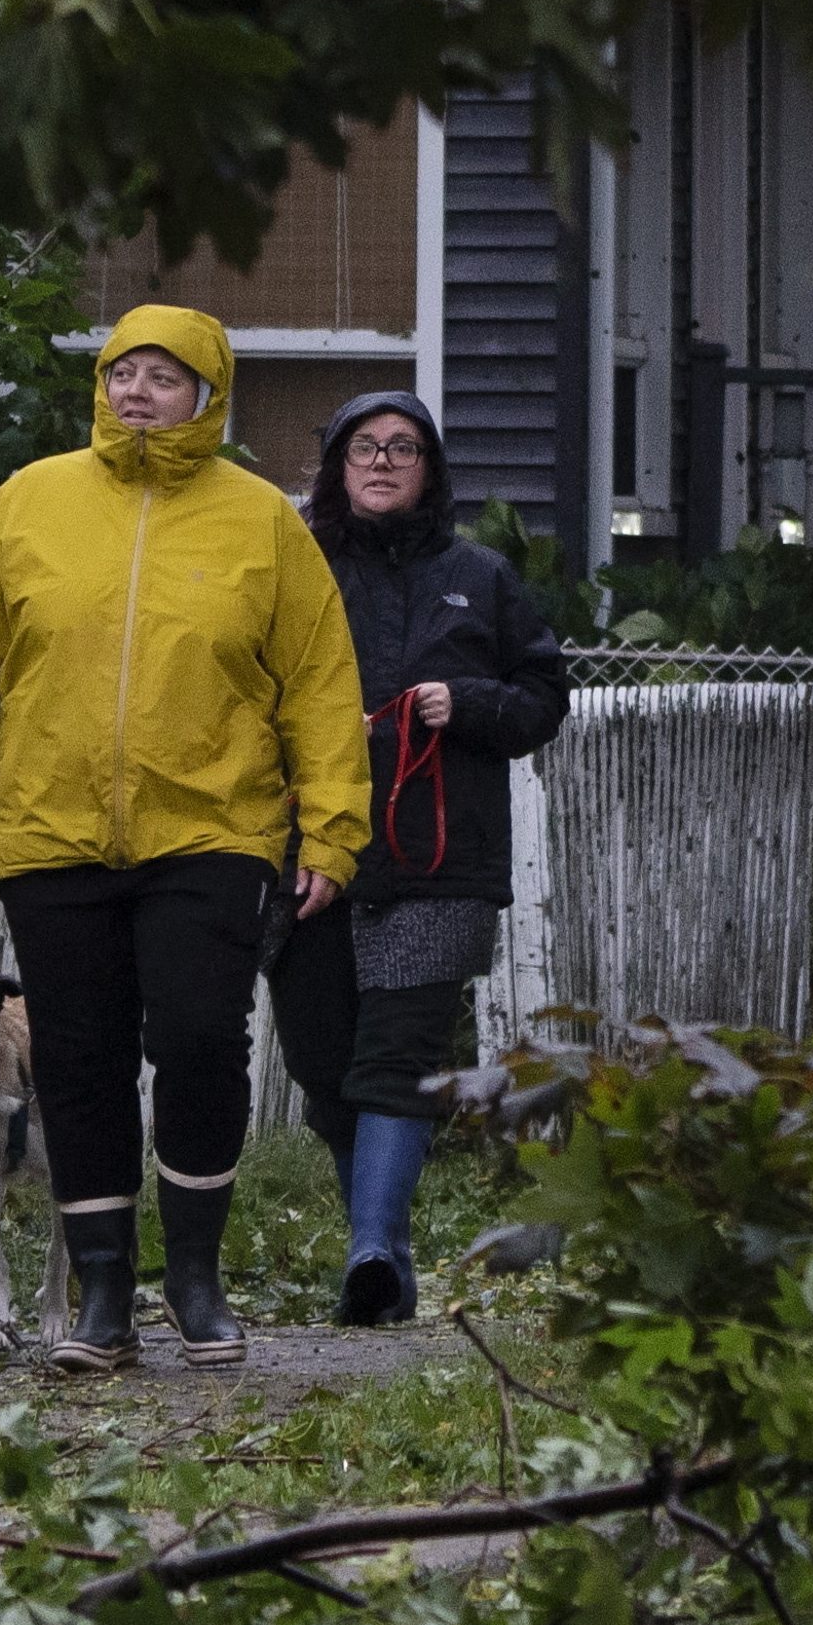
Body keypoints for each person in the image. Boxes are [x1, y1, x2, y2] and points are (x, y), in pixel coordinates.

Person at [0, 305, 366, 1373]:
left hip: (214, 829)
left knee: (197, 1040)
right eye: (122, 371)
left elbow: (321, 687)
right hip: (54, 838)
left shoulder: (263, 523)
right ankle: (101, 1298)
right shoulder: (27, 506)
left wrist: (331, 829)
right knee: (80, 1064)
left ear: (208, 397)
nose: (138, 390)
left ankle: (193, 1278)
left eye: (165, 376)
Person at [283, 391, 568, 1321]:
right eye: (362, 445)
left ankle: (368, 1253)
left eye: (402, 447)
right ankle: (388, 1256)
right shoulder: (297, 568)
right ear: (336, 465)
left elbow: (541, 698)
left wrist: (472, 703)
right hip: (309, 858)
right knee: (325, 1069)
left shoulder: (480, 575)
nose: (381, 461)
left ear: (429, 471)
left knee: (397, 1062)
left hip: (440, 867)